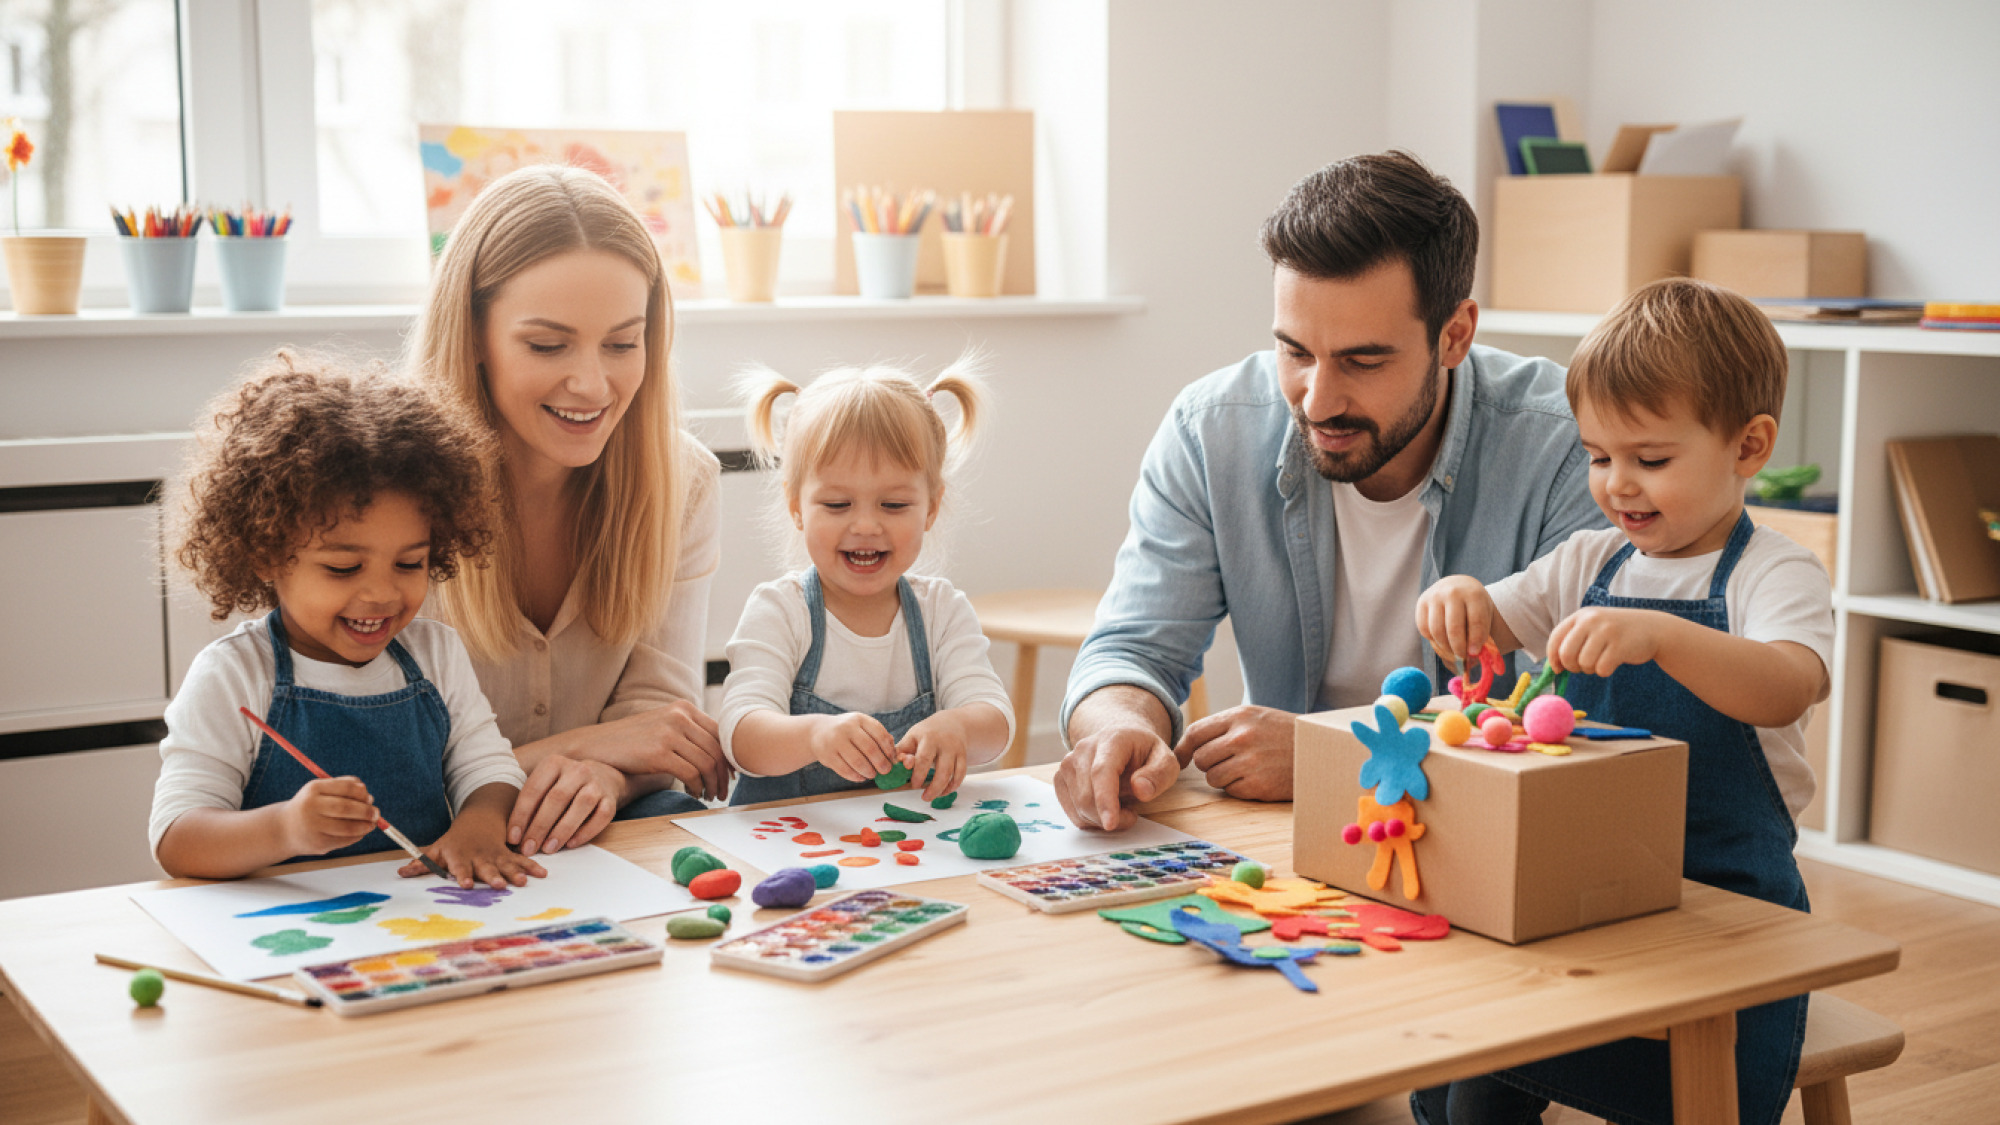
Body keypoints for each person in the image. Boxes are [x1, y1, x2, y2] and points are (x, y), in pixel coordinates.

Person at [1055, 150, 1603, 830]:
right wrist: (1117, 725)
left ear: (1454, 335)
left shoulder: (1570, 444)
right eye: (1295, 351)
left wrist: (1332, 752)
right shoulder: (1210, 430)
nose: (1317, 400)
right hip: (1294, 832)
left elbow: (1587, 725)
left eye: (1362, 360)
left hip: (1493, 836)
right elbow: (1132, 650)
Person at [1409, 277, 1829, 1125]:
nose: (1618, 485)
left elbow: (1789, 682)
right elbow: (1496, 616)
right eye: (1600, 457)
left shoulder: (1773, 572)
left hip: (1725, 912)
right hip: (1585, 894)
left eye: (1651, 459)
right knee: (1474, 1079)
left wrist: (1664, 636)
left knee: (1689, 1099)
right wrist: (1460, 596)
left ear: (1748, 447)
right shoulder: (1588, 559)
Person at [411, 166, 729, 858]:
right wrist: (595, 745)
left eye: (622, 343)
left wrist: (601, 772)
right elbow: (391, 775)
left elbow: (661, 725)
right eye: (547, 345)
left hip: (594, 834)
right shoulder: (389, 492)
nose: (592, 383)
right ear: (473, 337)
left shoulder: (685, 484)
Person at [150, 352, 542, 889]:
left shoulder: (435, 654)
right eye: (343, 567)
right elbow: (177, 839)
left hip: (422, 921)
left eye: (410, 563)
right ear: (267, 553)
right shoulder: (234, 675)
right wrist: (285, 828)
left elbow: (490, 769)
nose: (382, 593)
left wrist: (479, 823)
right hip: (284, 930)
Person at [720, 361, 1013, 805]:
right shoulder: (781, 611)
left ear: (931, 507)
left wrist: (958, 727)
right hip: (784, 840)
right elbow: (742, 736)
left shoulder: (942, 612)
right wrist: (814, 736)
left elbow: (995, 723)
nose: (866, 525)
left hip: (905, 845)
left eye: (893, 505)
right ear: (796, 505)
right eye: (837, 504)